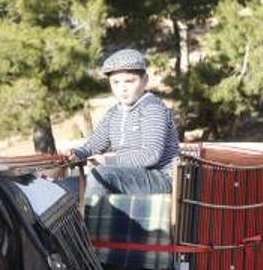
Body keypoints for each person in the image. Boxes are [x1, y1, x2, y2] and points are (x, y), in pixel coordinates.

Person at [67, 49, 180, 195]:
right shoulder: (114, 113)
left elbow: (151, 155)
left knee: (101, 175)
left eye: (129, 81)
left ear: (145, 80)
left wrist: (108, 160)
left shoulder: (152, 108)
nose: (122, 88)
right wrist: (76, 154)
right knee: (63, 187)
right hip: (127, 175)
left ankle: (89, 218)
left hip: (161, 177)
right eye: (116, 82)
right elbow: (92, 146)